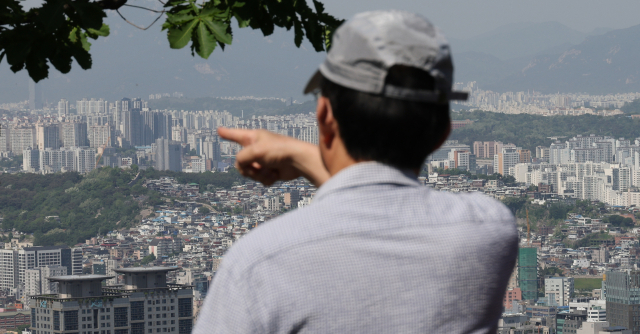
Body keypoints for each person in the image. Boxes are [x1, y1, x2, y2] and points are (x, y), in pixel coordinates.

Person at [193, 10, 517, 334]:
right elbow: (373, 196)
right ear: (444, 132)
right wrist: (305, 153)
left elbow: (362, 195)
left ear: (323, 116)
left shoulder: (258, 263)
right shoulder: (487, 230)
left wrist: (304, 152)